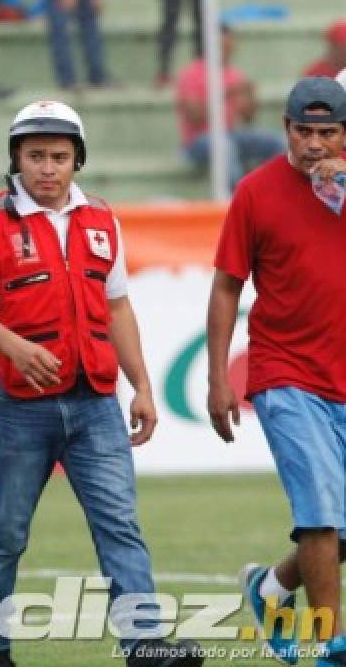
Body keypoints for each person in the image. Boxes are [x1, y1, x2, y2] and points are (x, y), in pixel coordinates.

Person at [0, 99, 203, 667]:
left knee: (120, 523)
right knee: (6, 532)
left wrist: (142, 385)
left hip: (96, 402)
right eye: (34, 155)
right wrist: (12, 345)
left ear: (77, 160)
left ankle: (145, 646)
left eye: (59, 156)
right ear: (15, 158)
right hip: (19, 404)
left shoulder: (101, 219)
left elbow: (117, 308)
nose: (47, 167)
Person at [207, 77, 346, 667]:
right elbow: (225, 287)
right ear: (285, 128)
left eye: (328, 132)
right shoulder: (256, 192)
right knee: (320, 513)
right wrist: (218, 377)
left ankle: (269, 591)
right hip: (286, 374)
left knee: (340, 526)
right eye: (304, 130)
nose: (315, 143)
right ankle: (332, 644)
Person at [176, 25, 284, 186]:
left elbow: (248, 119)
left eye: (229, 47)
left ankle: (274, 192)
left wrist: (251, 100)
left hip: (230, 134)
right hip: (197, 140)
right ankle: (235, 201)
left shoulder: (235, 74)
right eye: (222, 47)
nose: (226, 52)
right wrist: (226, 94)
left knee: (278, 141)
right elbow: (194, 118)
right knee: (224, 147)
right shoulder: (192, 73)